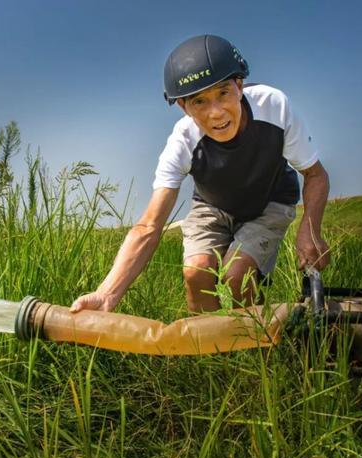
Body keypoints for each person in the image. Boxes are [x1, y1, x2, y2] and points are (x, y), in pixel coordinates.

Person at [71, 34, 330, 314]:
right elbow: (149, 226)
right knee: (196, 273)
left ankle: (255, 351)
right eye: (199, 102)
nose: (216, 113)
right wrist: (107, 295)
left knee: (238, 275)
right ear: (183, 107)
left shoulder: (274, 107)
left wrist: (310, 228)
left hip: (269, 201)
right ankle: (207, 351)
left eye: (223, 93)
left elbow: (315, 175)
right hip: (212, 205)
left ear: (239, 86)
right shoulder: (183, 142)